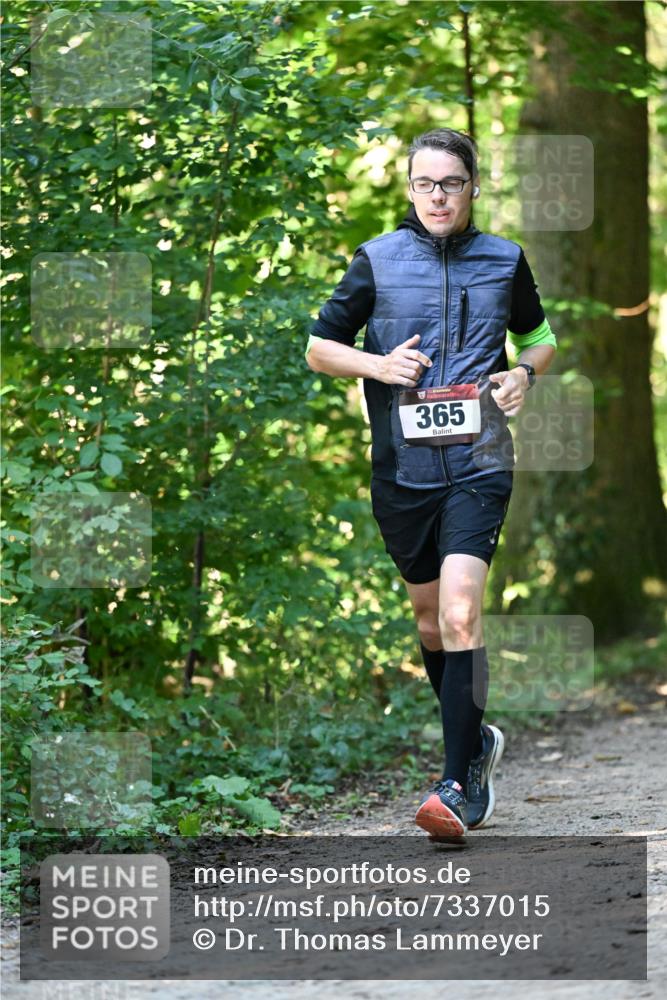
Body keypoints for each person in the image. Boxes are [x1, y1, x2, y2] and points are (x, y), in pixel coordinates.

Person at [305, 128, 557, 839]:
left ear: (472, 186)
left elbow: (540, 338)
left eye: (450, 183)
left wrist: (522, 374)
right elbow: (319, 346)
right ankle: (473, 738)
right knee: (427, 624)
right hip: (402, 473)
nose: (437, 196)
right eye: (424, 184)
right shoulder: (377, 261)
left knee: (457, 615)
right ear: (409, 188)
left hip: (479, 464)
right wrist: (377, 367)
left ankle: (456, 783)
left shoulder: (504, 260)